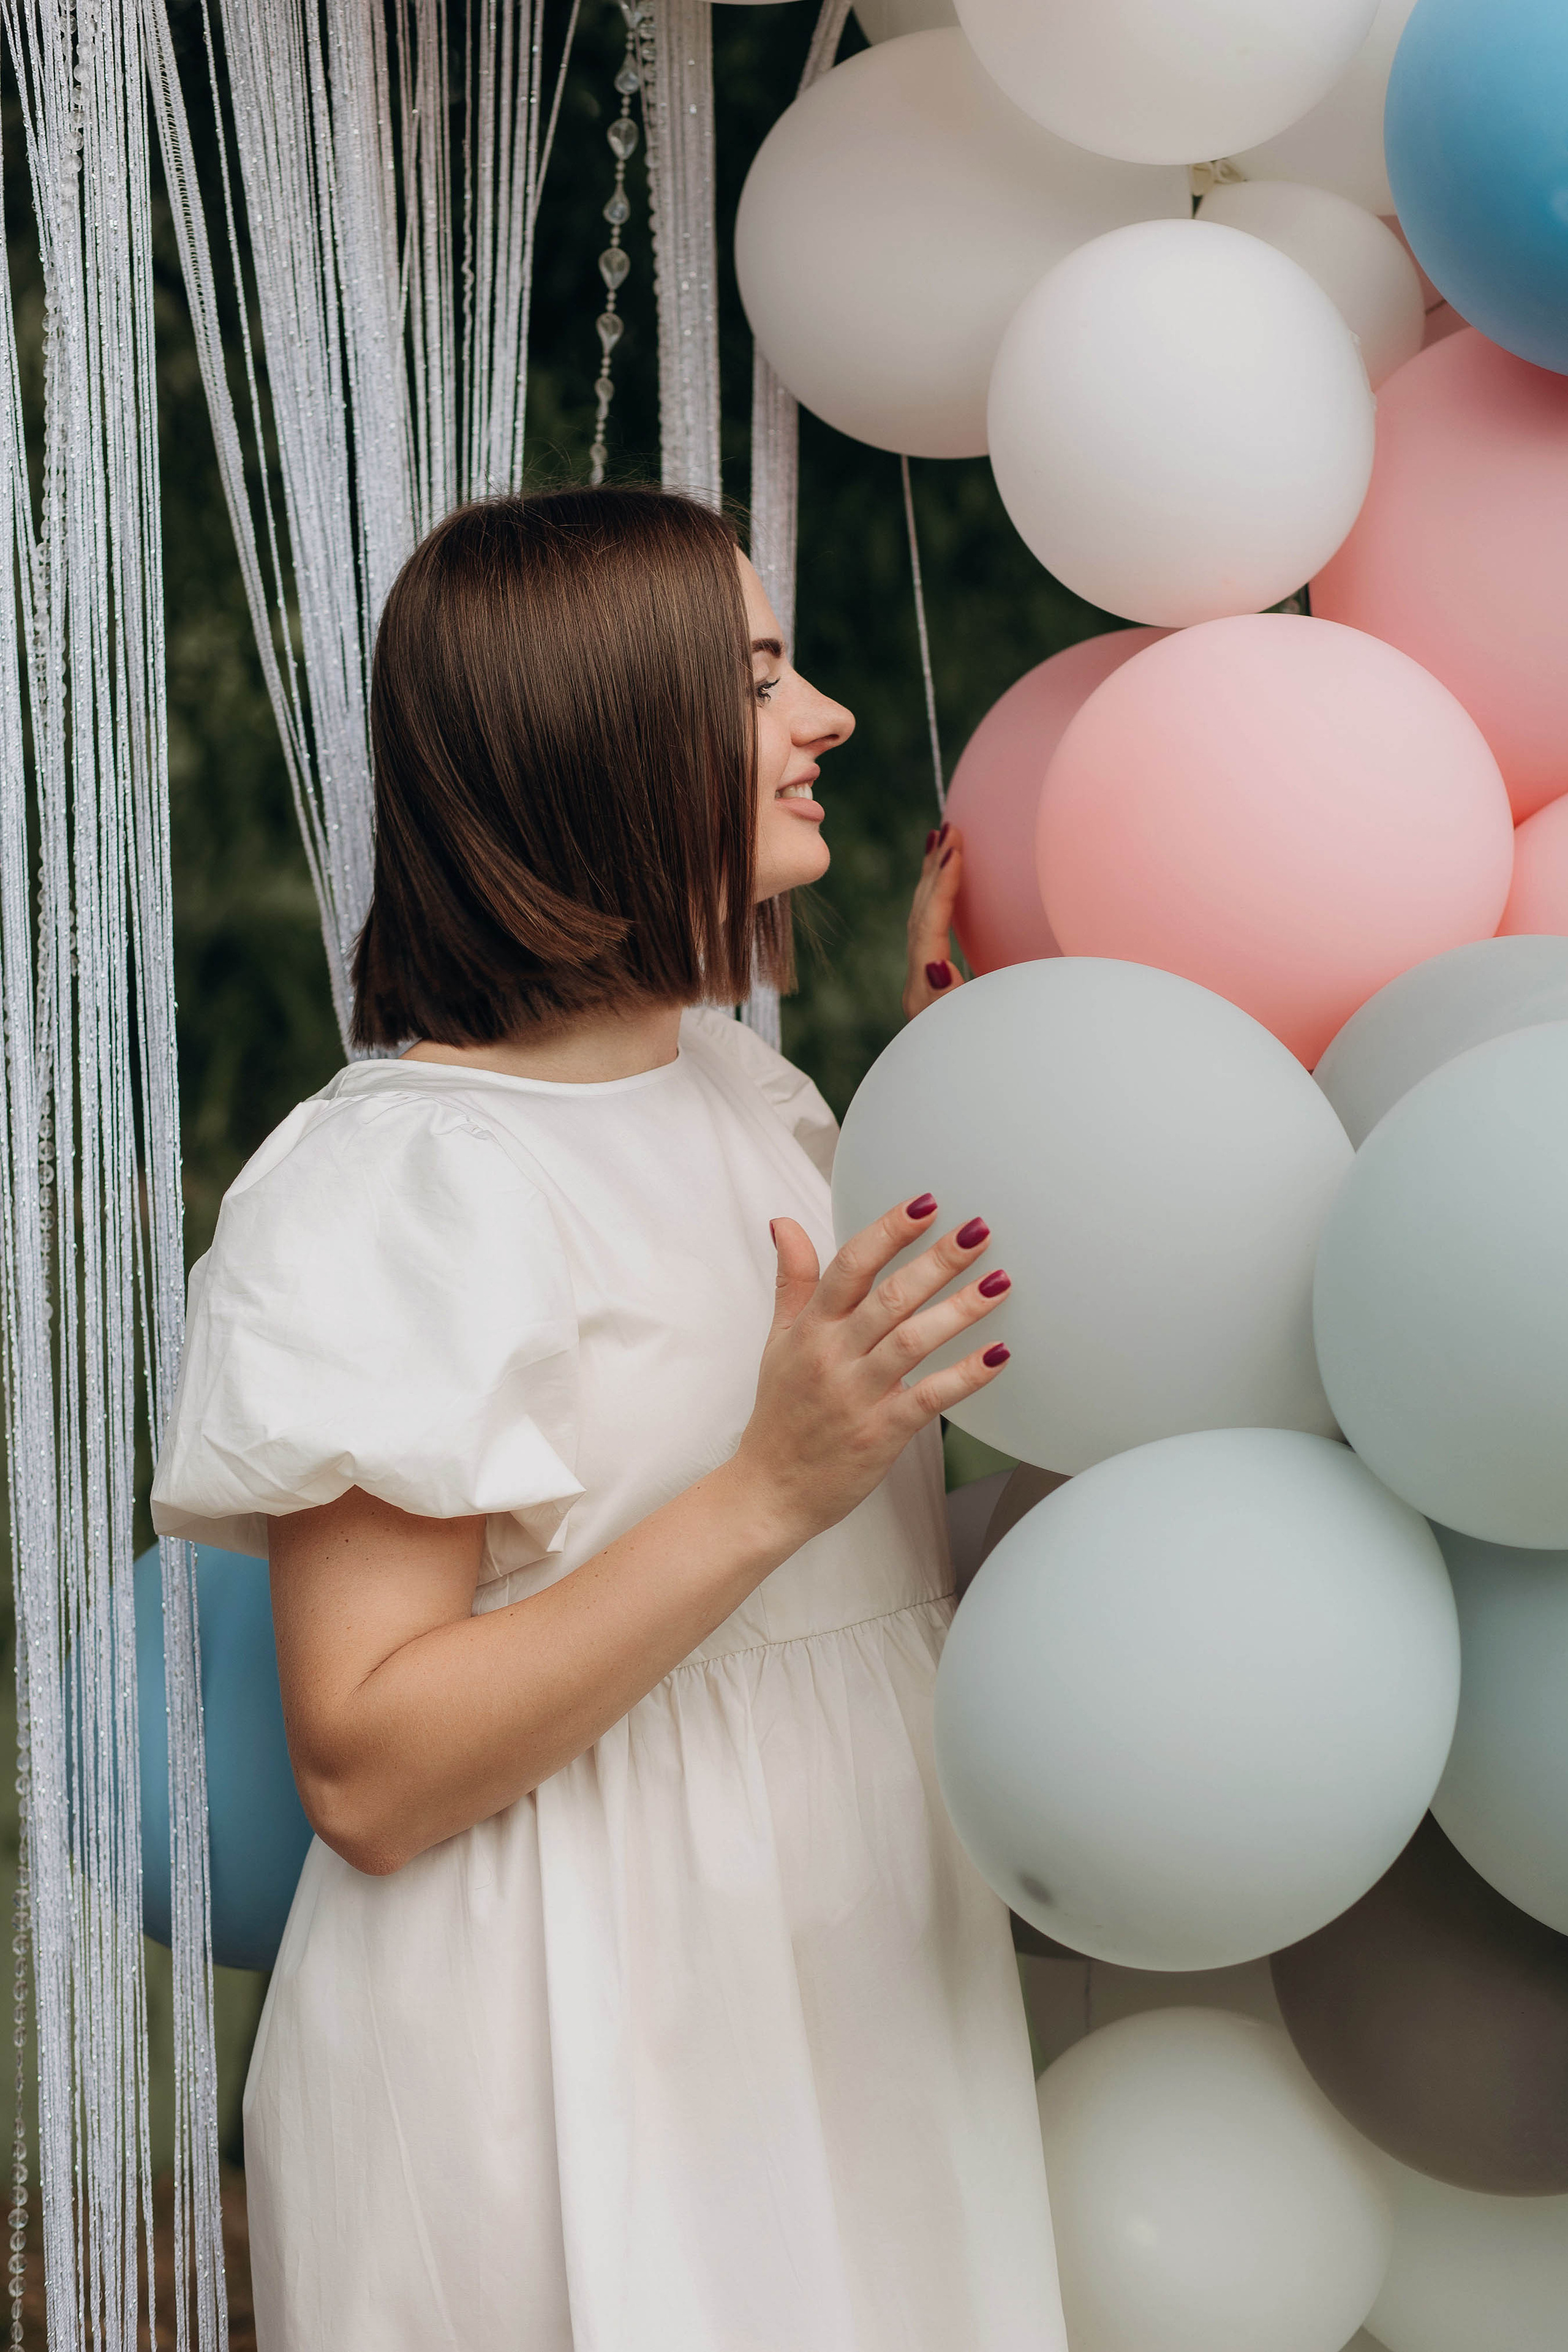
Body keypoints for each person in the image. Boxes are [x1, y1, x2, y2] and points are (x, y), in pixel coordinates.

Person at [152, 486, 1066, 2352]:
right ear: (601, 739)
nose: (825, 720)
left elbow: (861, 1604)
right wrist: (769, 1487)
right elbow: (372, 1767)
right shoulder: (401, 1183)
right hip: (571, 2033)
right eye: (752, 681)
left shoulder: (753, 1096)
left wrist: (959, 1110)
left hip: (848, 1976)